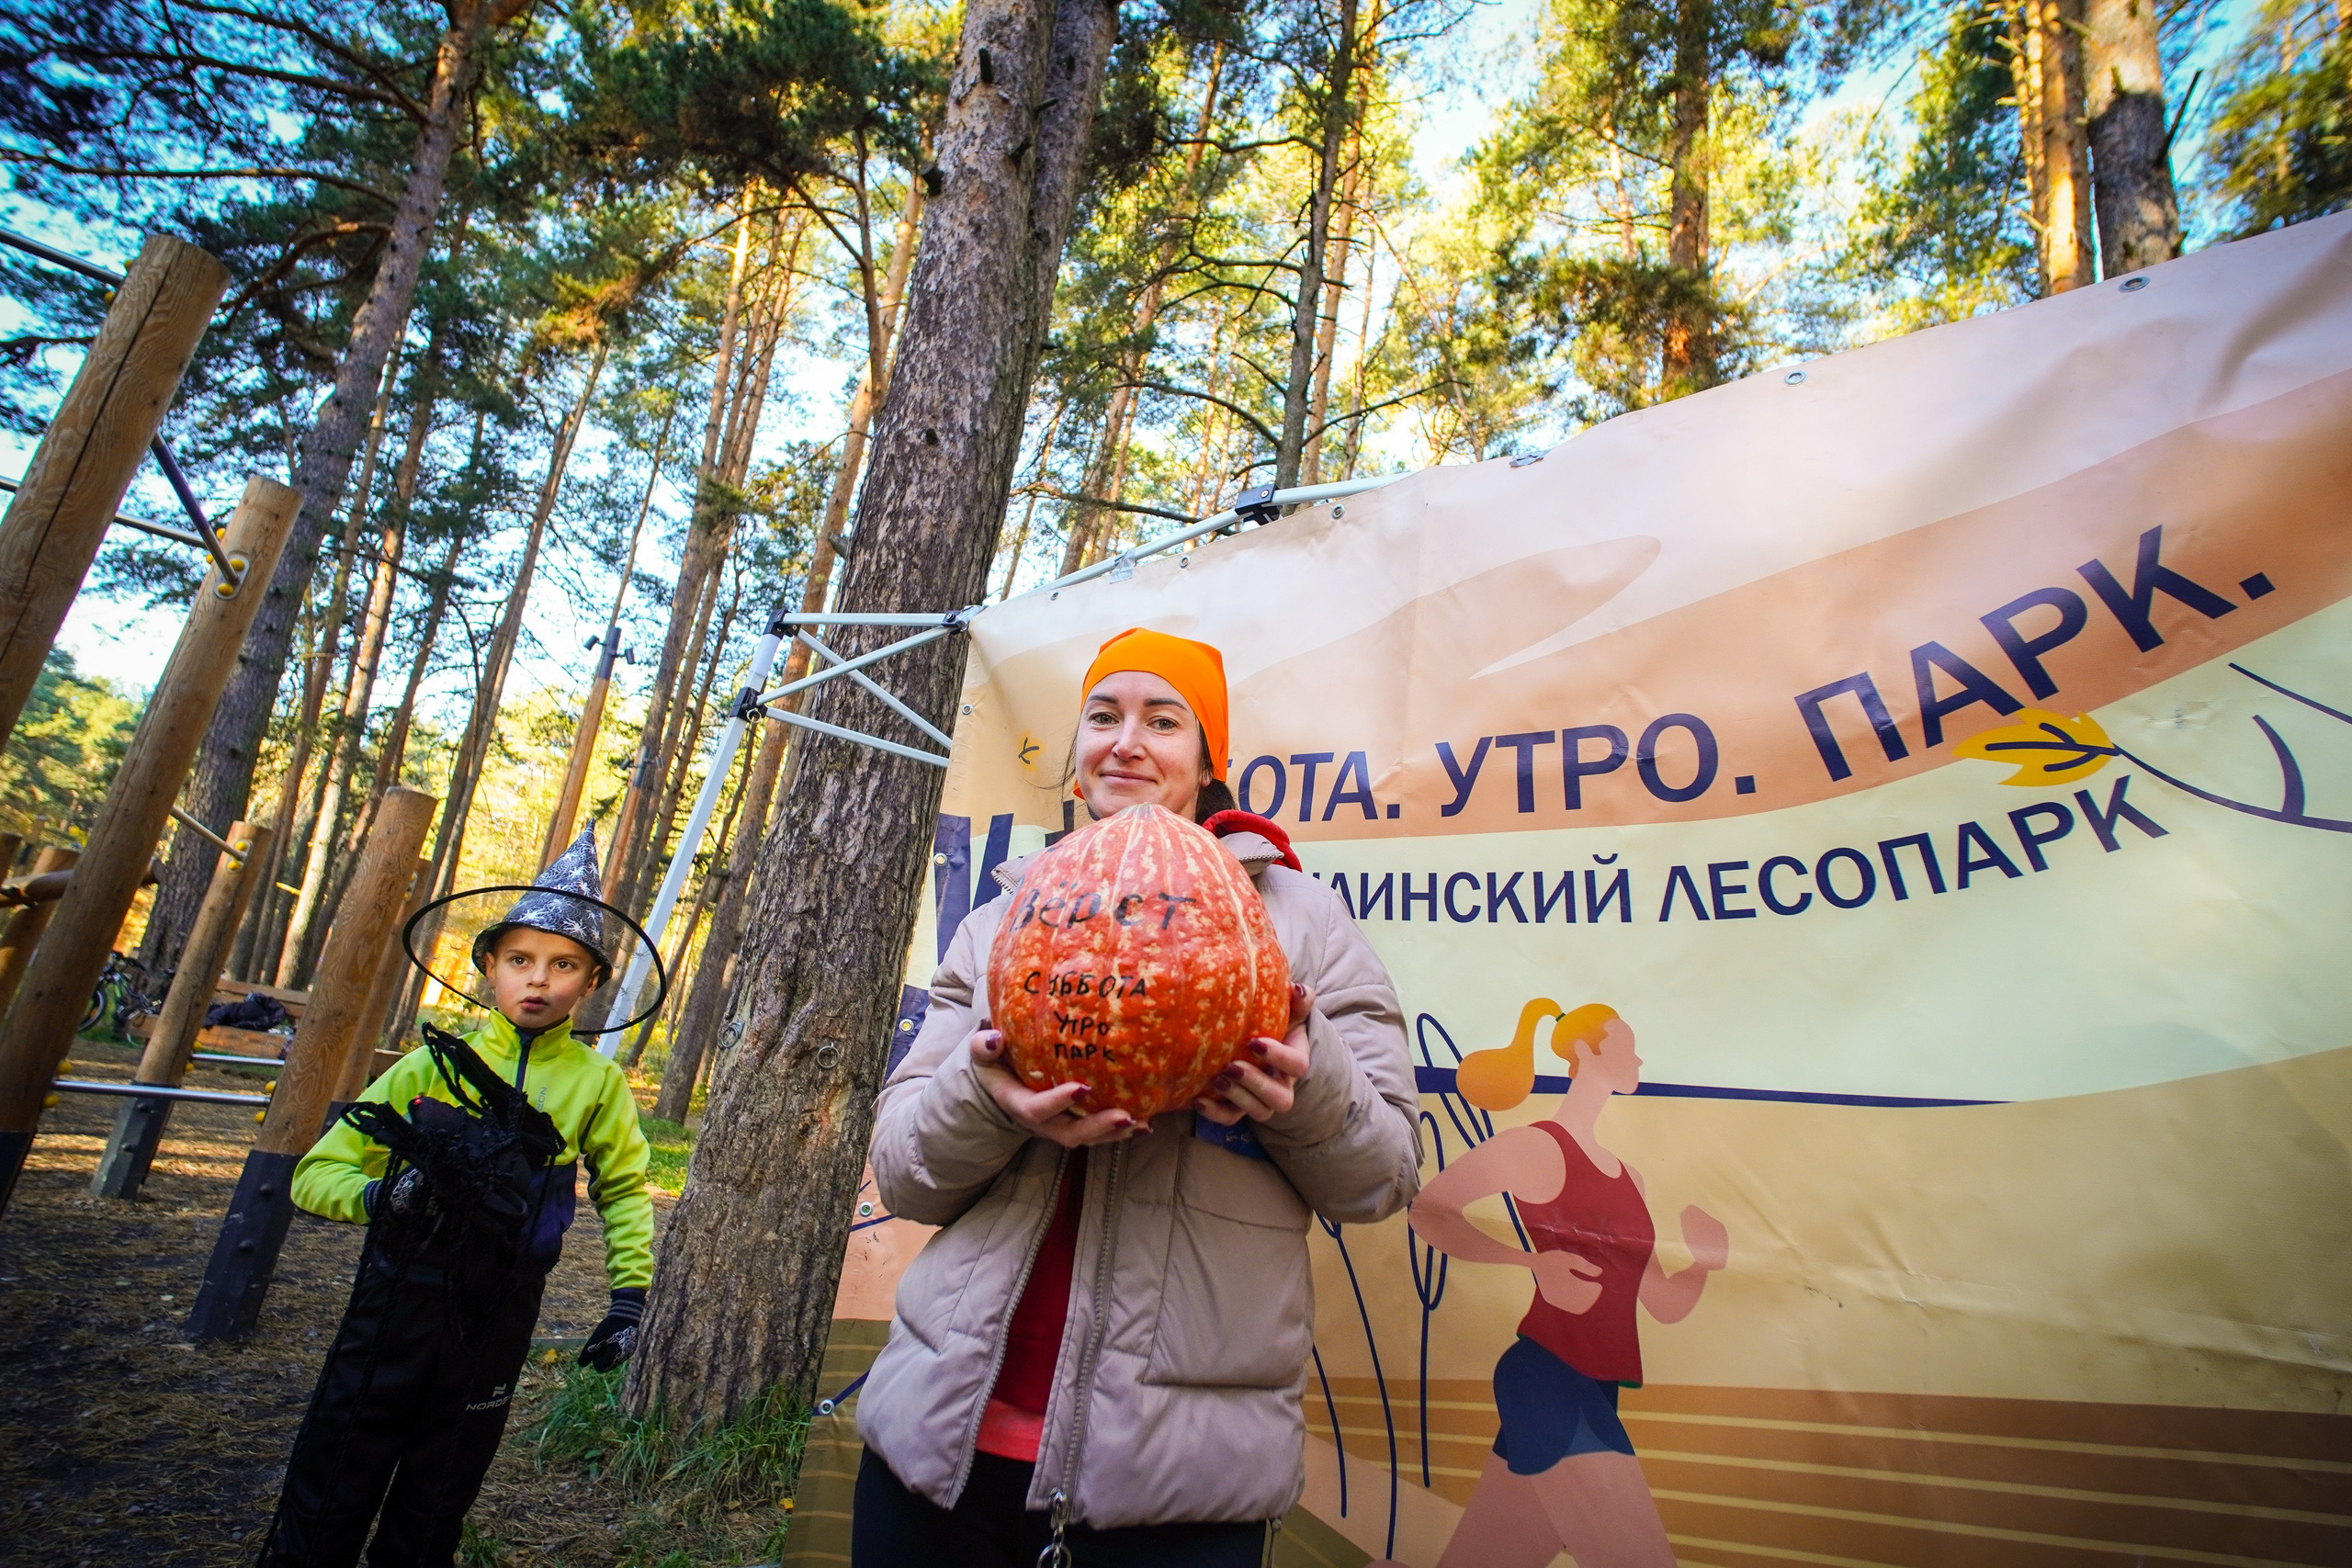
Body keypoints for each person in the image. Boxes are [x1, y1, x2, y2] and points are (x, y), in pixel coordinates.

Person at [854, 626, 1423, 1567]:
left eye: (1163, 720)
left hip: (1174, 1491)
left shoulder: (1301, 922)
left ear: (1208, 763)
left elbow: (1382, 1179)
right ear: (1076, 756)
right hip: (940, 1448)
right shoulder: (1003, 919)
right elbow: (906, 1175)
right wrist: (990, 1099)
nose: (1127, 740)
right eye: (1103, 716)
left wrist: (1303, 1090)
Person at [256, 829, 655, 1568]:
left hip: (500, 1314)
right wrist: (383, 1195)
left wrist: (629, 1296)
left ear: (592, 981)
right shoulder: (431, 1067)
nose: (539, 980)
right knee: (338, 1470)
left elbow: (626, 1188)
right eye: (520, 960)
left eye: (563, 964)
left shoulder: (597, 1086)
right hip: (393, 1305)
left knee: (441, 1488)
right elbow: (316, 1172)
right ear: (488, 968)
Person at [1402, 1004, 1729, 1568]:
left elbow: (1660, 1303)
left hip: (1602, 1386)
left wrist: (1702, 1263)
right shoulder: (1536, 1147)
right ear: (1585, 1053)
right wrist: (1531, 1261)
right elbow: (1429, 1211)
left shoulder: (1631, 1177)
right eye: (1626, 1046)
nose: (1639, 1058)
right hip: (1548, 1379)